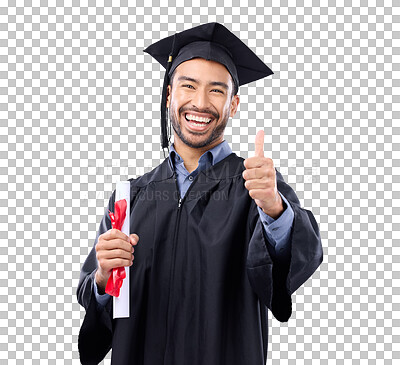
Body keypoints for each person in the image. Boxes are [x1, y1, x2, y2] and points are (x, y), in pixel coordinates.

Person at [76, 22, 323, 365]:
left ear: (233, 104)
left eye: (217, 91)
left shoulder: (254, 184)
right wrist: (103, 277)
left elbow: (292, 267)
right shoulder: (130, 197)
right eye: (188, 86)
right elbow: (98, 300)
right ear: (169, 96)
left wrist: (274, 209)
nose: (200, 102)